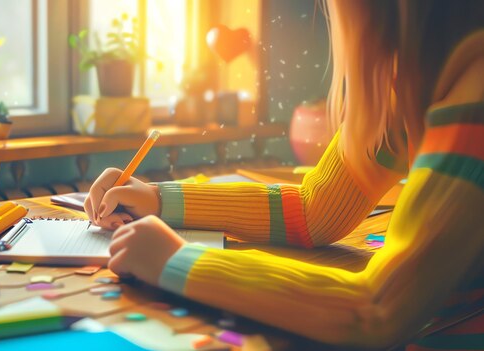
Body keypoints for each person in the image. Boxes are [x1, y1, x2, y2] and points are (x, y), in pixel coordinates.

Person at [85, 0, 484, 348]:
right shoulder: (414, 83)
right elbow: (316, 208)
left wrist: (177, 262)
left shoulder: (475, 97)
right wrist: (156, 197)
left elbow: (377, 308)